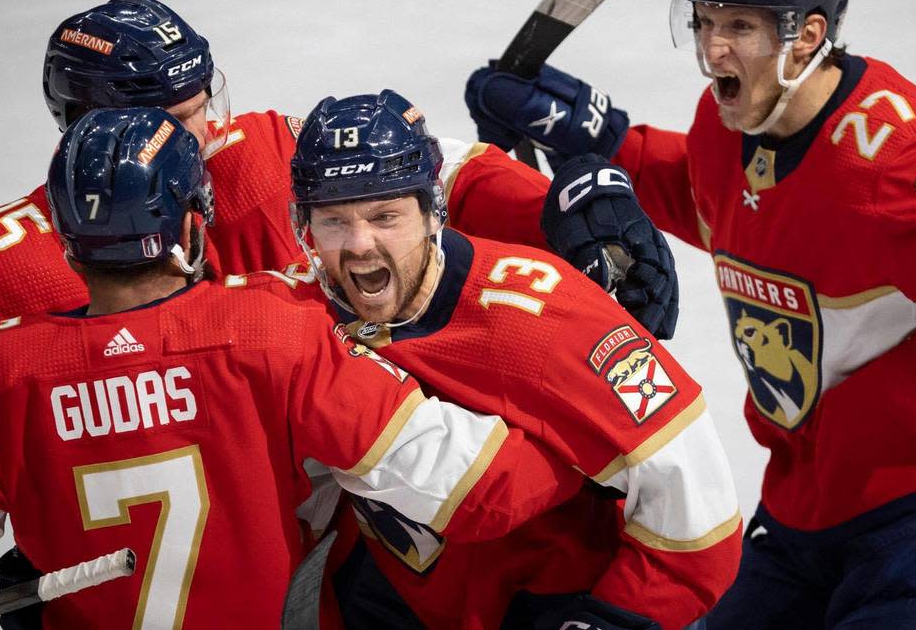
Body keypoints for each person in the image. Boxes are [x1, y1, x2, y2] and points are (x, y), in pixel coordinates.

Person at [463, 0, 916, 628]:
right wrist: (592, 135)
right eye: (704, 21)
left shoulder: (892, 153)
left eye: (739, 26)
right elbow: (712, 197)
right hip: (811, 497)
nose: (712, 48)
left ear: (806, 33)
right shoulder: (728, 122)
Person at [0, 107, 584, 629]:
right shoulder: (271, 328)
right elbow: (479, 489)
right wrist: (589, 438)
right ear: (192, 221)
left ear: (63, 233)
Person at [264, 89, 742, 630]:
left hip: (554, 603)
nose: (359, 245)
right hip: (401, 593)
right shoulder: (295, 311)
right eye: (333, 221)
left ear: (431, 211)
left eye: (385, 216)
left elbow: (703, 519)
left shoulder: (546, 319)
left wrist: (612, 621)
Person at [0, 0, 676, 340]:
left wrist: (557, 210)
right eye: (180, 121)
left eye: (204, 101)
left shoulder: (261, 150)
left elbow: (438, 174)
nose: (211, 129)